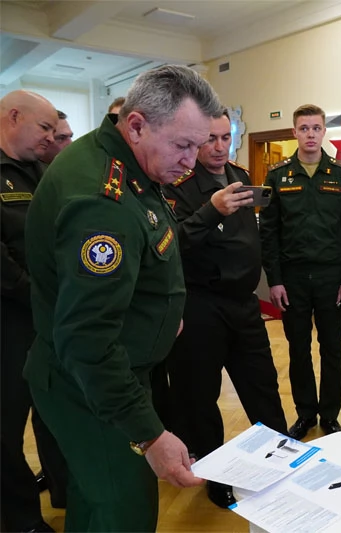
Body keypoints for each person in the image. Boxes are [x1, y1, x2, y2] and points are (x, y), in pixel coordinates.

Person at [24, 65, 223, 532]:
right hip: (92, 385)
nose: (191, 162)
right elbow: (87, 341)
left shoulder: (125, 164)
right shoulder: (101, 203)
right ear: (135, 126)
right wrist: (150, 435)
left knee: (96, 501)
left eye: (197, 146)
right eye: (183, 145)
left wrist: (163, 315)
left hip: (105, 375)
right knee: (124, 510)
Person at [163, 109, 288, 508]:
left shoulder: (239, 176)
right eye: (210, 139)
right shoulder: (178, 185)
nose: (219, 147)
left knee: (262, 384)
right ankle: (216, 473)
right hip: (201, 305)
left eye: (225, 138)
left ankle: (281, 458)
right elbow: (171, 243)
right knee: (200, 395)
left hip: (244, 304)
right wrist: (211, 210)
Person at [260, 104, 341, 440]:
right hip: (292, 279)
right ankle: (306, 413)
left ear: (324, 132)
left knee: (331, 349)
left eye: (316, 128)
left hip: (332, 278)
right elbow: (269, 232)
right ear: (294, 132)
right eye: (304, 128)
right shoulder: (277, 176)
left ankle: (330, 416)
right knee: (298, 348)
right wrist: (274, 280)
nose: (310, 134)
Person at [1, 89, 58, 533]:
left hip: (50, 319)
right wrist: (38, 297)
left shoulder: (43, 172)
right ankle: (22, 521)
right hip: (10, 323)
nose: (51, 138)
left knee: (55, 417)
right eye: (45, 128)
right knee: (4, 431)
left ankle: (65, 495)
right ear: (14, 116)